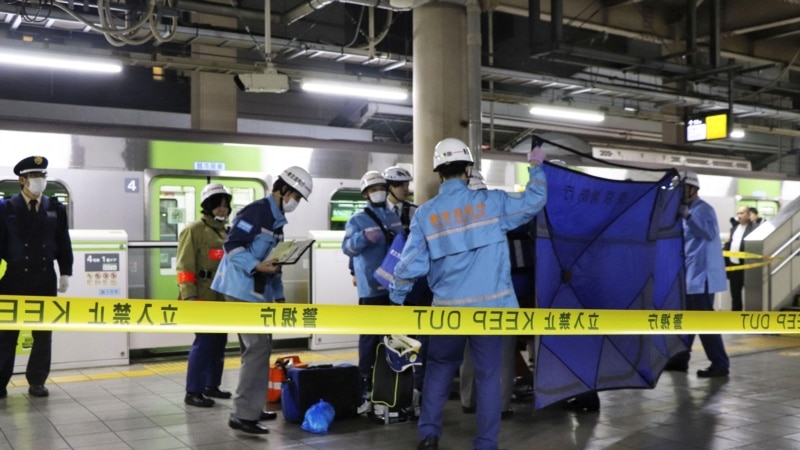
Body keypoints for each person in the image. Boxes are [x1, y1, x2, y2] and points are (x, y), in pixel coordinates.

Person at [390, 138, 547, 450]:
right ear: (468, 168)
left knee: (439, 370)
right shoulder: (491, 203)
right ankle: (486, 443)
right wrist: (536, 167)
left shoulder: (426, 215)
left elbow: (408, 265)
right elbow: (534, 200)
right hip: (491, 310)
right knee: (488, 377)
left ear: (438, 172)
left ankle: (429, 436)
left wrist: (398, 297)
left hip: (447, 310)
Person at [211, 166, 313, 434]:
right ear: (283, 190)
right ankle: (243, 415)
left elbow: (274, 264)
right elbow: (232, 245)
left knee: (259, 348)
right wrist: (256, 266)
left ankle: (252, 408)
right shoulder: (257, 211)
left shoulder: (278, 223)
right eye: (296, 196)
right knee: (257, 348)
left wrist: (279, 298)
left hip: (257, 293)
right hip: (238, 288)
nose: (296, 203)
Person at [0, 156, 73, 399]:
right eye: (34, 176)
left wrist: (65, 271)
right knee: (7, 333)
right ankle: (0, 381)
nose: (39, 180)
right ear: (22, 180)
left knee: (43, 333)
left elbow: (63, 242)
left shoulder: (55, 208)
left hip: (44, 278)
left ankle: (37, 380)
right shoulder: (6, 208)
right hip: (14, 279)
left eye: (42, 176)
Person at [342, 171, 404, 408]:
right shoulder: (357, 220)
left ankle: (391, 382)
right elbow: (347, 249)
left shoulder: (393, 216)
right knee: (369, 338)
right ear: (366, 194)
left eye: (381, 187)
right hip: (371, 288)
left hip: (394, 287)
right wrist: (363, 238)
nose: (377, 191)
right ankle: (364, 383)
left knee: (392, 335)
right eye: (373, 188)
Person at [459, 169, 517, 419]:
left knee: (469, 353)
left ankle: (468, 401)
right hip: (497, 298)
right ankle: (501, 405)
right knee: (502, 353)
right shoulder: (499, 221)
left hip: (464, 299)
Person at [666, 171, 730, 378]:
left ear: (693, 189)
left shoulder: (703, 210)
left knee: (703, 321)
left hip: (702, 277)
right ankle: (680, 359)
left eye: (683, 189)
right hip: (690, 276)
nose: (680, 193)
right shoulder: (685, 211)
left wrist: (689, 216)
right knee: (688, 319)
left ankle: (720, 363)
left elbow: (709, 234)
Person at [177, 183, 233, 408]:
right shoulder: (194, 230)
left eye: (225, 205)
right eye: (218, 205)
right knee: (204, 342)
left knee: (219, 342)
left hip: (222, 294)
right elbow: (184, 266)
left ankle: (212, 386)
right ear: (208, 206)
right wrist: (189, 296)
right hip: (202, 295)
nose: (222, 210)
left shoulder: (227, 231)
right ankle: (193, 391)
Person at [724, 206, 757, 311]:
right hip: (734, 266)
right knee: (735, 295)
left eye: (742, 213)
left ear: (748, 214)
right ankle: (735, 319)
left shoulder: (754, 228)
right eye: (738, 213)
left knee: (752, 295)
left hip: (747, 266)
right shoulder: (734, 229)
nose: (739, 216)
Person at [382, 166, 417, 235]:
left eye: (407, 185)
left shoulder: (415, 210)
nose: (406, 190)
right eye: (402, 186)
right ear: (390, 188)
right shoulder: (378, 211)